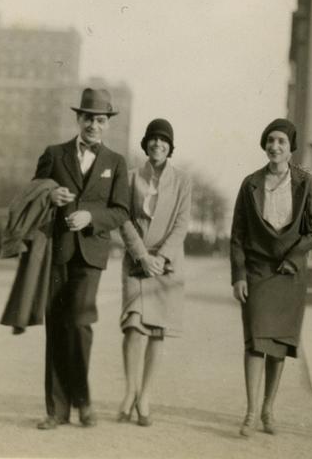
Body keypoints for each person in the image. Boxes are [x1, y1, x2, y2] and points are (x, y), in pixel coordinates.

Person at [33, 88, 130, 430]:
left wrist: (90, 217)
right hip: (57, 252)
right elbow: (35, 194)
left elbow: (121, 211)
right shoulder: (54, 154)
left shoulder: (116, 162)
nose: (93, 124)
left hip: (91, 255)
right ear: (78, 119)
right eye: (88, 117)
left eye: (100, 119)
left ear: (107, 125)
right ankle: (56, 410)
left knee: (78, 319)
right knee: (58, 325)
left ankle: (84, 400)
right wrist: (50, 194)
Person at [230, 118, 312, 437]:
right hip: (257, 270)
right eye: (270, 140)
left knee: (279, 343)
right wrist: (238, 275)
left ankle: (269, 409)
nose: (275, 146)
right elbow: (238, 235)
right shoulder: (250, 183)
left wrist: (294, 258)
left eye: (282, 141)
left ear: (291, 147)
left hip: (290, 273)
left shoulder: (306, 182)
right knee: (256, 341)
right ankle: (251, 411)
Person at [117, 118, 192, 426]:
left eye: (163, 140)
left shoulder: (183, 180)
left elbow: (181, 224)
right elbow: (123, 218)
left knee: (157, 330)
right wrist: (142, 255)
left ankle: (145, 396)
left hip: (167, 265)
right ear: (146, 143)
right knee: (133, 326)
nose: (158, 144)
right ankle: (130, 391)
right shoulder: (131, 177)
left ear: (170, 146)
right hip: (137, 262)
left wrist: (161, 257)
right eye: (153, 139)